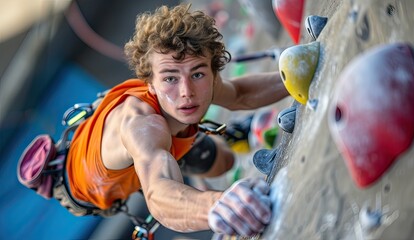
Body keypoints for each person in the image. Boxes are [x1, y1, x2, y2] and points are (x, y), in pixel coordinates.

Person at [65, 3, 289, 237]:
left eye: (198, 74)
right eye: (170, 78)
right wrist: (218, 205)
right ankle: (213, 138)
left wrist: (291, 74)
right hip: (87, 186)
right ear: (150, 83)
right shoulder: (141, 124)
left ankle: (217, 137)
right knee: (188, 162)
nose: (187, 91)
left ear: (212, 70)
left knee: (225, 162)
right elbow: (158, 194)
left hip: (163, 138)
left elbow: (240, 94)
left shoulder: (196, 80)